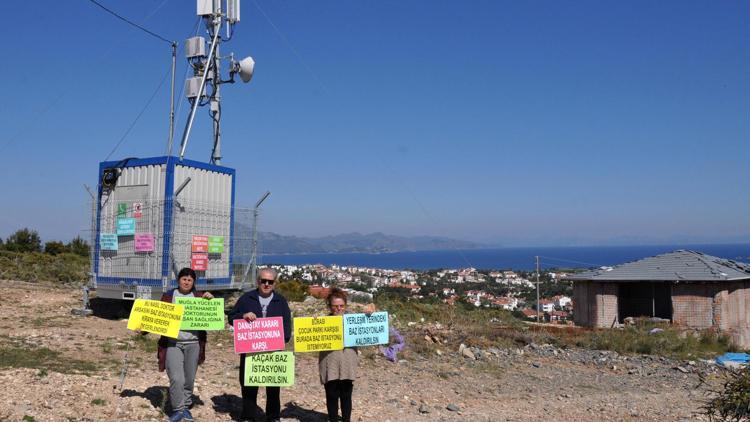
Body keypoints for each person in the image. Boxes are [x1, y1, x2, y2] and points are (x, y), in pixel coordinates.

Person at [229, 268, 292, 422]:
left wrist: (278, 338)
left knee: (273, 388)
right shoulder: (246, 298)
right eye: (263, 281)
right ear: (258, 281)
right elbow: (231, 317)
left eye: (270, 281)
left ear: (274, 283)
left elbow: (286, 326)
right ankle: (249, 416)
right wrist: (243, 316)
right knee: (248, 386)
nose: (266, 284)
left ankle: (273, 417)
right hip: (250, 351)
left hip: (273, 352)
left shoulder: (281, 301)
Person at [157, 267, 214, 422]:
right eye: (184, 279)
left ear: (193, 282)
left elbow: (212, 315)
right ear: (178, 280)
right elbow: (157, 317)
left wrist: (211, 300)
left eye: (190, 280)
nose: (187, 282)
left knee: (189, 379)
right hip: (173, 343)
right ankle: (178, 409)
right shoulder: (169, 296)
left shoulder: (200, 297)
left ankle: (186, 406)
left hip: (194, 343)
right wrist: (142, 328)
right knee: (176, 378)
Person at [318, 288, 372, 422]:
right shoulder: (323, 321)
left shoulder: (354, 321)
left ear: (345, 306)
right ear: (329, 306)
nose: (338, 309)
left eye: (341, 306)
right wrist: (312, 323)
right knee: (331, 395)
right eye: (335, 306)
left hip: (348, 361)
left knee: (346, 395)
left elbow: (371, 323)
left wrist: (371, 312)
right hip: (329, 362)